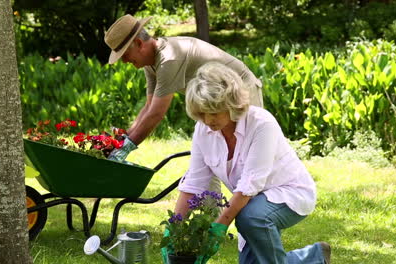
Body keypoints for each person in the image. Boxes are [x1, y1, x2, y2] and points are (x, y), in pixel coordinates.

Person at [165, 62, 331, 263]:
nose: (208, 120)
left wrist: (219, 227)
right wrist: (173, 229)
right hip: (250, 203)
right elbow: (194, 182)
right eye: (201, 113)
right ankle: (314, 256)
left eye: (214, 112)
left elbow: (249, 185)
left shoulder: (261, 124)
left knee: (251, 218)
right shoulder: (203, 130)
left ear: (230, 104)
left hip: (288, 194)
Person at [103, 14, 263, 163]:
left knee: (247, 154)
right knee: (209, 156)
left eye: (124, 54)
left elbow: (156, 113)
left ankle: (263, 193)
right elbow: (148, 107)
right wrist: (123, 139)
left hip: (241, 90)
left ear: (139, 44)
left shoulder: (168, 59)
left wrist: (126, 148)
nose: (123, 61)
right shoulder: (150, 64)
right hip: (214, 103)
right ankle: (206, 194)